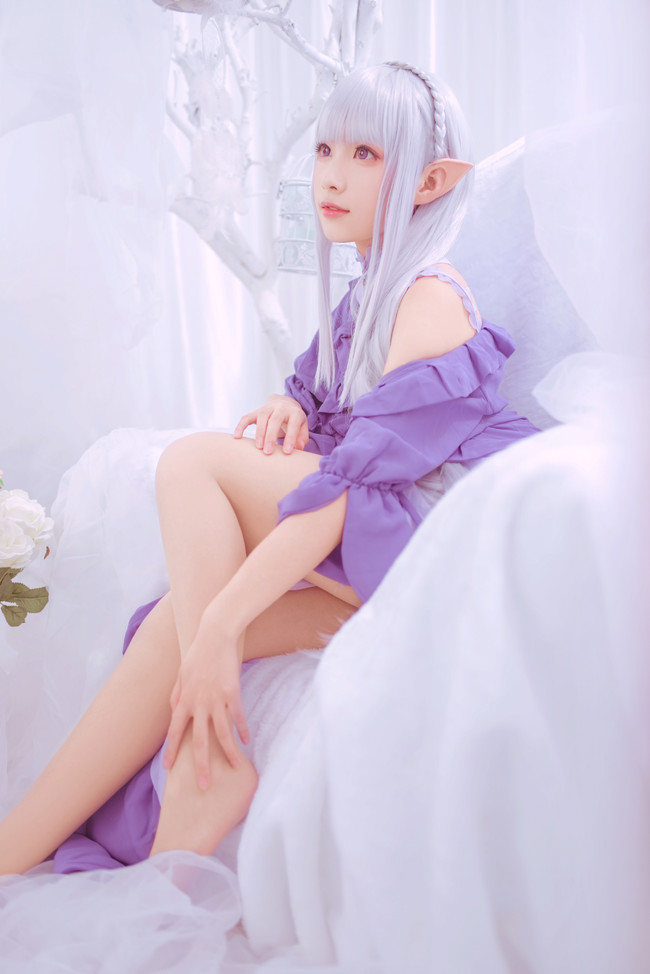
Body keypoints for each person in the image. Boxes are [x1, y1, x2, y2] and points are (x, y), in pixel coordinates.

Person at [0, 62, 537, 876]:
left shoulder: (427, 296)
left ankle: (196, 758)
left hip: (438, 566)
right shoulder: (368, 295)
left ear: (431, 182)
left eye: (365, 154)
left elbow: (347, 492)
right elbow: (328, 416)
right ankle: (39, 841)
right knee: (172, 626)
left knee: (192, 468)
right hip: (392, 565)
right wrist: (292, 406)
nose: (332, 175)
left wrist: (222, 626)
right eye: (326, 149)